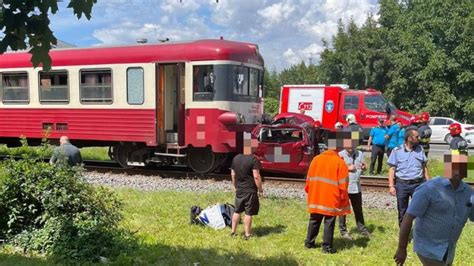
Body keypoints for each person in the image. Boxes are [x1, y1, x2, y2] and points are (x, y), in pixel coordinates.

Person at [394, 153, 474, 266]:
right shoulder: (429, 189)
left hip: (448, 250)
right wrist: (402, 248)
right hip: (428, 249)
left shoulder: (469, 193)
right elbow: (408, 217)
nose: (457, 171)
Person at [304, 131, 351, 254]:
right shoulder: (340, 163)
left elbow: (308, 180)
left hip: (316, 196)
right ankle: (326, 247)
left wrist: (311, 192)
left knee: (314, 219)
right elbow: (343, 185)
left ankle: (309, 243)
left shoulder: (316, 159)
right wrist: (343, 199)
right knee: (329, 222)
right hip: (331, 198)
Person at [387, 129, 430, 226]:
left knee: (420, 209)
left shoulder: (420, 149)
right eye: (416, 137)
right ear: (410, 138)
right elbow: (392, 169)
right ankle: (404, 234)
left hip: (418, 185)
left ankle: (420, 233)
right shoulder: (397, 151)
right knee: (403, 210)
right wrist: (391, 186)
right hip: (402, 185)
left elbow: (424, 167)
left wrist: (428, 182)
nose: (419, 138)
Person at [337, 130, 370, 240]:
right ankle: (343, 231)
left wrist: (364, 168)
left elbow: (362, 168)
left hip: (356, 187)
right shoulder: (339, 155)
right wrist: (347, 168)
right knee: (343, 210)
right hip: (344, 187)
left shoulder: (360, 154)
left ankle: (362, 229)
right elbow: (335, 171)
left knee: (358, 209)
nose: (350, 146)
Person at [230, 154, 263, 240]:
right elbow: (256, 176)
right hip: (250, 190)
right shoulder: (253, 159)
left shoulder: (236, 158)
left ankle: (233, 232)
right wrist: (260, 189)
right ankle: (247, 234)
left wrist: (235, 186)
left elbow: (233, 174)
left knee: (237, 211)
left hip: (239, 190)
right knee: (248, 213)